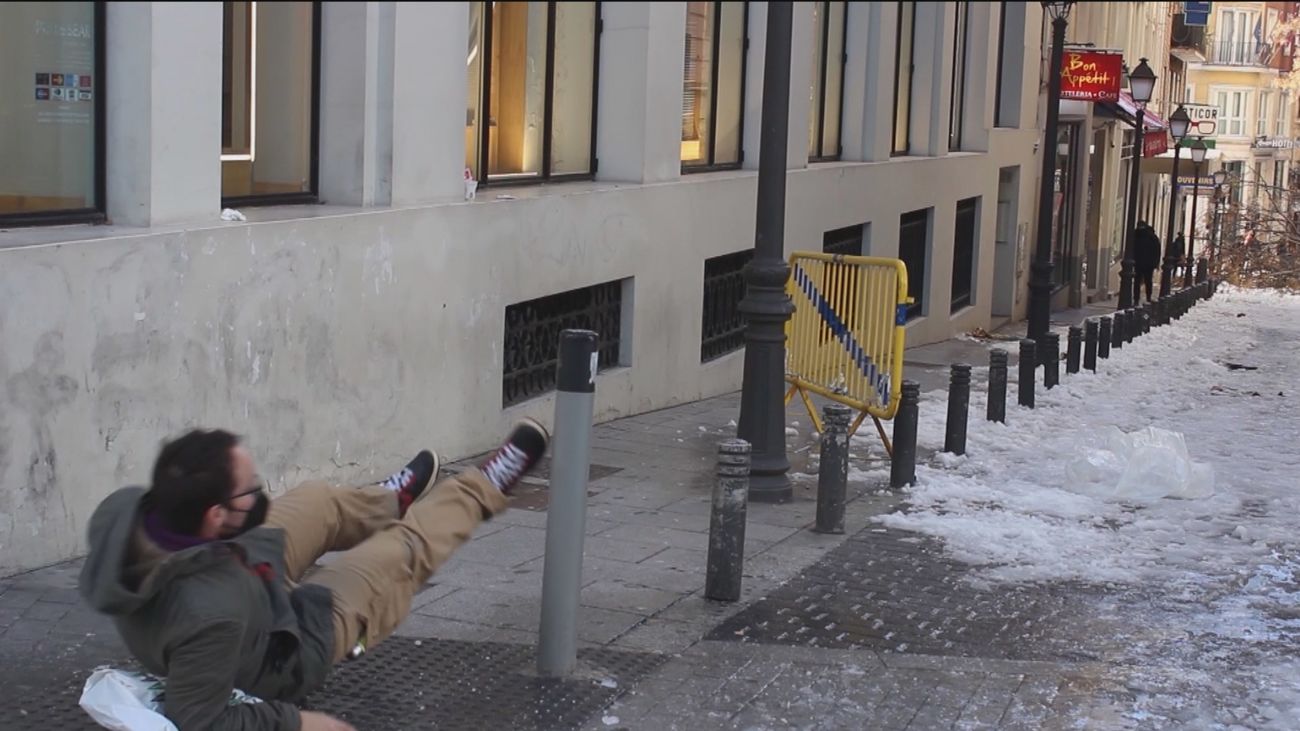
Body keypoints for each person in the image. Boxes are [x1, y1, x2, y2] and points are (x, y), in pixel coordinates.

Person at [79, 419, 550, 731]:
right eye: (250, 490)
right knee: (398, 553)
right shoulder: (208, 615)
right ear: (215, 515)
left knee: (315, 501)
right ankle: (482, 488)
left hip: (237, 568)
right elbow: (200, 719)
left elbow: (225, 548)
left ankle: (388, 503)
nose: (257, 493)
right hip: (289, 645)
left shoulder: (124, 512)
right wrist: (300, 724)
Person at [1133, 221, 1162, 302]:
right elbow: (1157, 250)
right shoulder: (1152, 236)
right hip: (1148, 264)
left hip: (1138, 263)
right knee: (1147, 281)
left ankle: (1136, 299)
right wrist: (1156, 263)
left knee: (1137, 281)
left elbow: (1132, 249)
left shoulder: (1136, 235)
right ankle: (1148, 297)